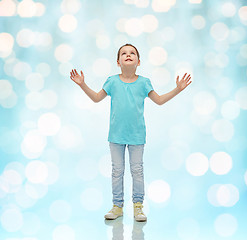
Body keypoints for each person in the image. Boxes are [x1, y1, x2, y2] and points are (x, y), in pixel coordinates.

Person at [70, 43, 192, 222]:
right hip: (116, 136)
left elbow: (158, 100)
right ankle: (117, 206)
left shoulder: (144, 82)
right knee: (117, 171)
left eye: (132, 53)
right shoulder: (112, 81)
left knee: (137, 171)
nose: (128, 55)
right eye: (124, 53)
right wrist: (82, 84)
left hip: (136, 136)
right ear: (118, 62)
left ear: (139, 61)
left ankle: (138, 207)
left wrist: (178, 89)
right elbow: (96, 98)